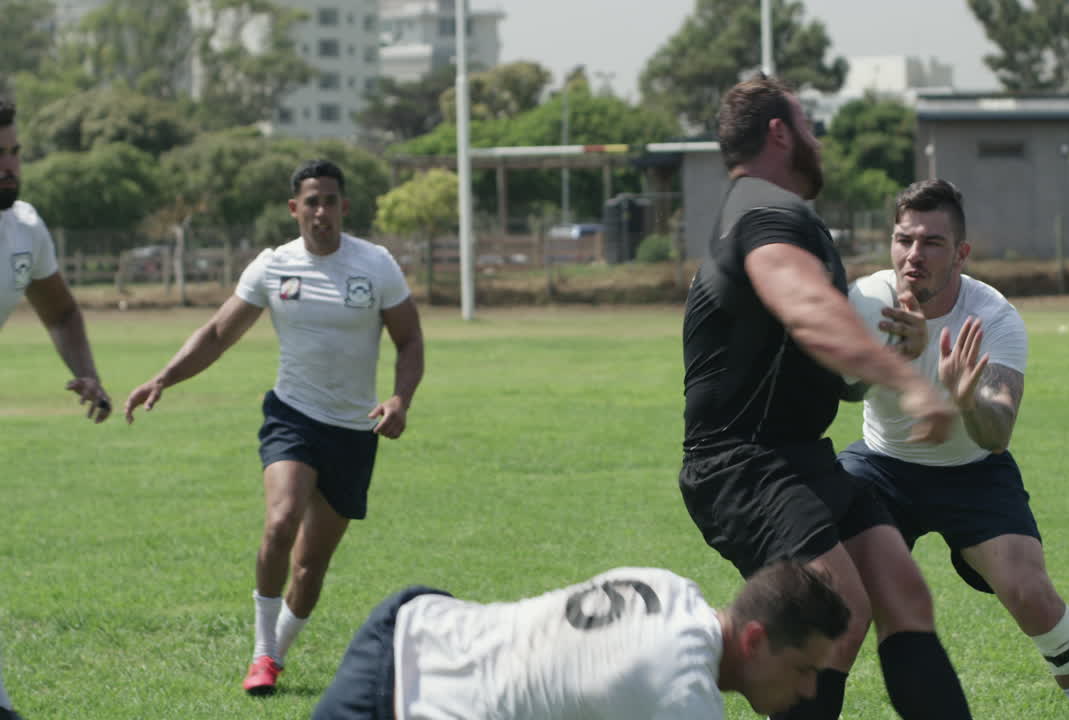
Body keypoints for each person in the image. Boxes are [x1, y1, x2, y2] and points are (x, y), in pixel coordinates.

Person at [679, 74, 972, 720]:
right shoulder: (761, 210)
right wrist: (912, 385)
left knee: (901, 593)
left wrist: (891, 356)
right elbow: (805, 305)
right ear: (780, 134)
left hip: (801, 458)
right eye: (809, 125)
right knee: (833, 606)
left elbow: (831, 378)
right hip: (741, 465)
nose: (818, 138)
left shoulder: (783, 218)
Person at [123, 159, 425, 695]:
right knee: (281, 522)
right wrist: (163, 378)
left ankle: (276, 655)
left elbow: (409, 341)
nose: (321, 211)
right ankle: (261, 652)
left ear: (343, 207)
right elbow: (218, 332)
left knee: (310, 569)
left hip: (355, 430)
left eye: (330, 201)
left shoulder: (375, 265)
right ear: (294, 209)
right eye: (311, 201)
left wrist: (400, 398)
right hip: (292, 417)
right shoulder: (272, 265)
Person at [836, 179, 1069, 719]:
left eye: (932, 243)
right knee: (834, 601)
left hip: (972, 470)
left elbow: (997, 435)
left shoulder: (994, 317)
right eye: (903, 240)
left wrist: (964, 398)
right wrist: (880, 360)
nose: (913, 256)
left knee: (1030, 592)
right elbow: (841, 392)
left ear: (962, 253)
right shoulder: (866, 299)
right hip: (880, 466)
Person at [311, 561, 850, 720]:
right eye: (804, 669)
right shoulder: (681, 696)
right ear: (755, 639)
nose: (808, 692)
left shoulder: (671, 587)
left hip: (421, 621)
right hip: (402, 696)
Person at [0, 97, 113, 720]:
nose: (10, 166)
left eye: (14, 152)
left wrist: (87, 373)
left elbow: (61, 310)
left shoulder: (24, 228)